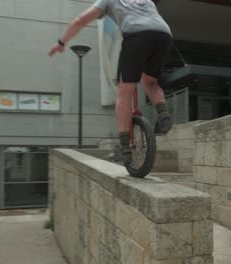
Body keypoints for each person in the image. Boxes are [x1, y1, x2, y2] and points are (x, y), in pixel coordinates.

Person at [49, 0, 172, 162]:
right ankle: (164, 117)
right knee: (150, 81)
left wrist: (61, 42)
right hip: (164, 35)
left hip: (137, 35)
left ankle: (125, 149)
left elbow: (81, 20)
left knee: (124, 93)